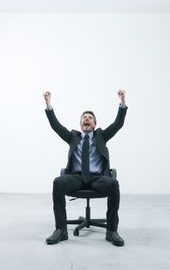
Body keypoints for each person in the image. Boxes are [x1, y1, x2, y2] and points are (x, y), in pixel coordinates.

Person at [43, 90, 128, 246]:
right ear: (80, 124)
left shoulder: (102, 135)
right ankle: (61, 230)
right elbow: (56, 126)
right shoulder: (72, 137)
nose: (87, 119)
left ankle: (111, 231)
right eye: (84, 118)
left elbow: (118, 124)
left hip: (97, 178)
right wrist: (48, 104)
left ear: (94, 124)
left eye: (90, 118)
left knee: (114, 184)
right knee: (58, 182)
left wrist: (122, 102)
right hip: (77, 178)